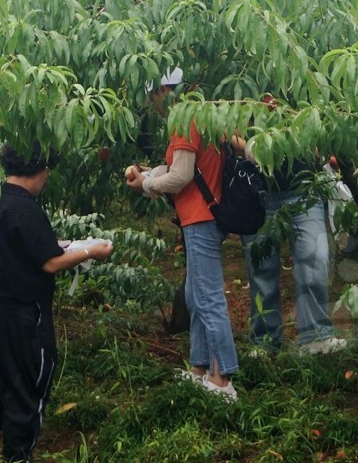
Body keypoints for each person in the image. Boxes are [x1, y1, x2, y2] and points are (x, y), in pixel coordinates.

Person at [0, 142, 114, 463]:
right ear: (41, 170)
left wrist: (63, 245)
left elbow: (22, 247)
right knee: (25, 392)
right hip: (23, 319)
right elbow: (49, 262)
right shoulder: (26, 208)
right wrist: (90, 249)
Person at [125, 70, 240, 401]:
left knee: (207, 297)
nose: (153, 105)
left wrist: (147, 184)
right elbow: (179, 166)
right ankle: (200, 369)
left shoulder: (184, 119)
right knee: (195, 295)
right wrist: (148, 174)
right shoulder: (199, 115)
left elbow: (182, 176)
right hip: (202, 215)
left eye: (153, 97)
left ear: (164, 90)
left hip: (200, 217)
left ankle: (223, 378)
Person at [241, 154, 346, 355]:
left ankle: (315, 337)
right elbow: (228, 131)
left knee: (315, 258)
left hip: (304, 188)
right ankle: (265, 341)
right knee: (261, 270)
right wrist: (250, 148)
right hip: (258, 191)